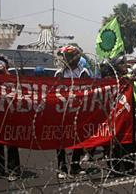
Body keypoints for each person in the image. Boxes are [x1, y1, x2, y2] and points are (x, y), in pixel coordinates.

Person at [54, 45, 90, 179]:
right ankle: (61, 166)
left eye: (68, 57)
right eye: (65, 57)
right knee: (60, 139)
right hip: (62, 111)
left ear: (75, 57)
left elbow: (87, 89)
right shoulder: (59, 73)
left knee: (78, 138)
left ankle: (75, 165)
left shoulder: (83, 72)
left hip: (78, 110)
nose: (66, 59)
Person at [0, 54, 21, 182]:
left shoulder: (12, 79)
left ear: (6, 65)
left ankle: (14, 170)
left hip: (10, 115)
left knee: (11, 144)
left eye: (2, 62)